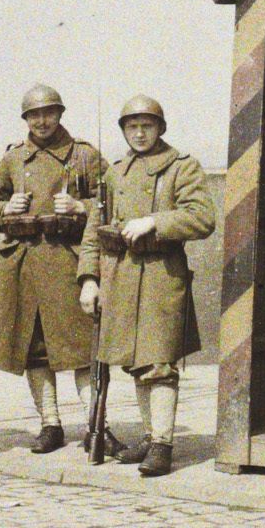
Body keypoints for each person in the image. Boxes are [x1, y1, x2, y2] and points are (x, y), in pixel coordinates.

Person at [77, 93, 216, 477]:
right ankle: (151, 433)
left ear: (160, 128)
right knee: (137, 365)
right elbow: (93, 231)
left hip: (160, 276)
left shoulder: (181, 167)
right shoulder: (114, 172)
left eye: (147, 126)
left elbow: (203, 218)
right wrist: (89, 280)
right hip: (117, 277)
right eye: (132, 126)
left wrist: (155, 221)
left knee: (158, 362)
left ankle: (163, 445)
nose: (139, 133)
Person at [0, 83, 105, 451]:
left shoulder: (84, 155)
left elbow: (111, 201)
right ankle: (50, 423)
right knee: (34, 348)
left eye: (49, 113)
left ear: (60, 114)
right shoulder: (14, 158)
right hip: (23, 265)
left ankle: (95, 425)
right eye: (34, 115)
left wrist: (82, 208)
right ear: (25, 119)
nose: (42, 121)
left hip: (67, 261)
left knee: (82, 347)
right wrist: (5, 209)